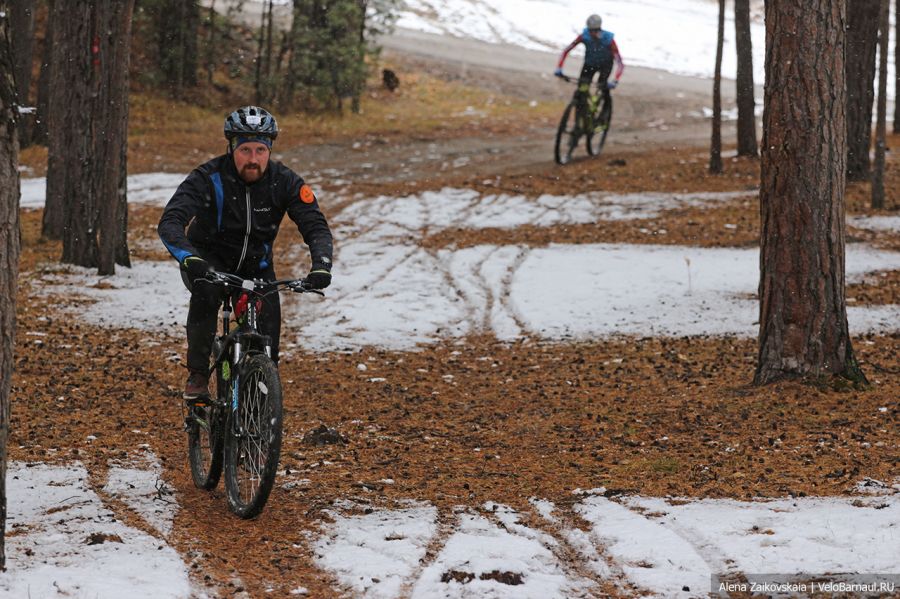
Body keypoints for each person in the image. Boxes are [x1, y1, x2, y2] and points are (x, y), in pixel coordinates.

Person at [158, 105, 333, 402]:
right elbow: (171, 222)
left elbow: (315, 225)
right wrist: (190, 258)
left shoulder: (285, 181)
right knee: (207, 293)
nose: (253, 159)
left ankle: (259, 409)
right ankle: (198, 375)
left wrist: (321, 265)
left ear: (270, 151)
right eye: (246, 150)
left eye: (260, 151)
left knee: (267, 345)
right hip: (207, 262)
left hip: (257, 267)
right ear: (231, 148)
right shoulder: (208, 177)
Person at [554, 14, 624, 102]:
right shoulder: (584, 36)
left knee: (602, 87)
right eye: (590, 30)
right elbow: (566, 51)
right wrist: (559, 67)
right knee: (582, 88)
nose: (592, 34)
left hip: (605, 66)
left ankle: (602, 105)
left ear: (599, 29)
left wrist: (615, 80)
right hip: (589, 64)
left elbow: (620, 63)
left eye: (595, 31)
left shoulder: (609, 40)